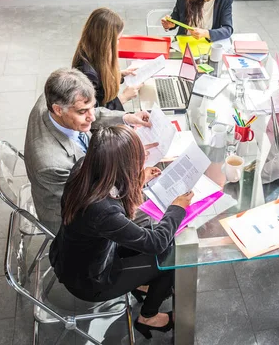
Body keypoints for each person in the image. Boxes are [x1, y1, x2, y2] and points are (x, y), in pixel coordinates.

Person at [49, 125, 193, 339]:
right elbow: (156, 242)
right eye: (137, 159)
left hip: (73, 256)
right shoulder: (102, 211)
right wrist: (177, 208)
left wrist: (137, 180)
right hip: (90, 281)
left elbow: (114, 197)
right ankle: (148, 317)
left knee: (155, 238)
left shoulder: (84, 168)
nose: (142, 161)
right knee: (172, 256)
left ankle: (143, 284)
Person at [24, 68, 153, 233]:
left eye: (91, 107)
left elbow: (89, 112)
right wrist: (134, 174)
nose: (91, 117)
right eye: (82, 112)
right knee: (151, 216)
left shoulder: (53, 97)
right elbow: (91, 203)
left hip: (85, 189)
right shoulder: (53, 163)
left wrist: (125, 118)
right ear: (57, 110)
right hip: (71, 220)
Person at [73, 7, 141, 111]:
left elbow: (100, 85)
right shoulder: (87, 74)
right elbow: (91, 114)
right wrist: (123, 98)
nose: (118, 43)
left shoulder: (91, 52)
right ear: (106, 41)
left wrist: (119, 75)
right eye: (117, 39)